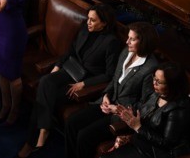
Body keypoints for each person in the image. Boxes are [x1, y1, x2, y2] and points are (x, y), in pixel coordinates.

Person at [16, 3, 121, 158]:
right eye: (88, 18)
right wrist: (57, 66)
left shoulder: (111, 42)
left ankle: (31, 142)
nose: (88, 22)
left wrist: (84, 84)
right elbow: (70, 51)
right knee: (46, 82)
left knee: (43, 97)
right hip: (71, 69)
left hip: (85, 80)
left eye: (93, 20)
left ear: (104, 23)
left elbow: (109, 74)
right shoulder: (85, 29)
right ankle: (44, 130)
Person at [64, 21, 159, 158]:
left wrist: (118, 109)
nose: (127, 42)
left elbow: (145, 104)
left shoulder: (150, 68)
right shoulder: (127, 51)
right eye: (128, 37)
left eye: (132, 39)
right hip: (108, 103)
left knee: (84, 136)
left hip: (120, 115)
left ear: (144, 42)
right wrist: (106, 95)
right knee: (71, 122)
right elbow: (115, 78)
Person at [100, 62, 190, 158]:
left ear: (172, 85)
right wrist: (121, 110)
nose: (154, 83)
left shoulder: (179, 110)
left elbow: (166, 143)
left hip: (153, 152)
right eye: (154, 78)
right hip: (140, 142)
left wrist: (138, 127)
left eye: (159, 82)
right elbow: (140, 108)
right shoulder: (156, 94)